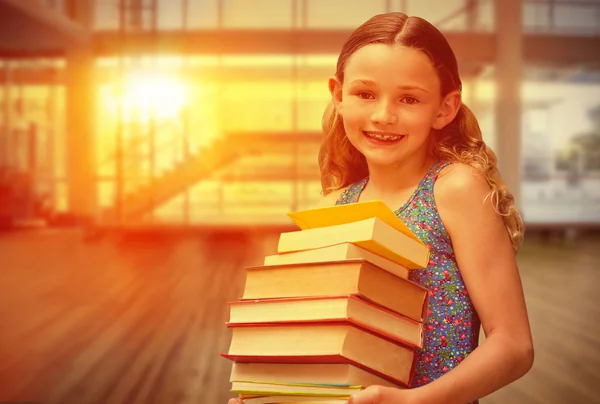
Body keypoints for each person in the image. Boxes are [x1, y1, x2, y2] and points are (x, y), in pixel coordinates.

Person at [228, 12, 533, 404]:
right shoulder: (332, 206)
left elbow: (514, 345)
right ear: (337, 95)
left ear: (445, 107)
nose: (383, 116)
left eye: (409, 98)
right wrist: (273, 393)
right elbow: (319, 343)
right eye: (365, 94)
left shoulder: (456, 189)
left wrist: (413, 402)